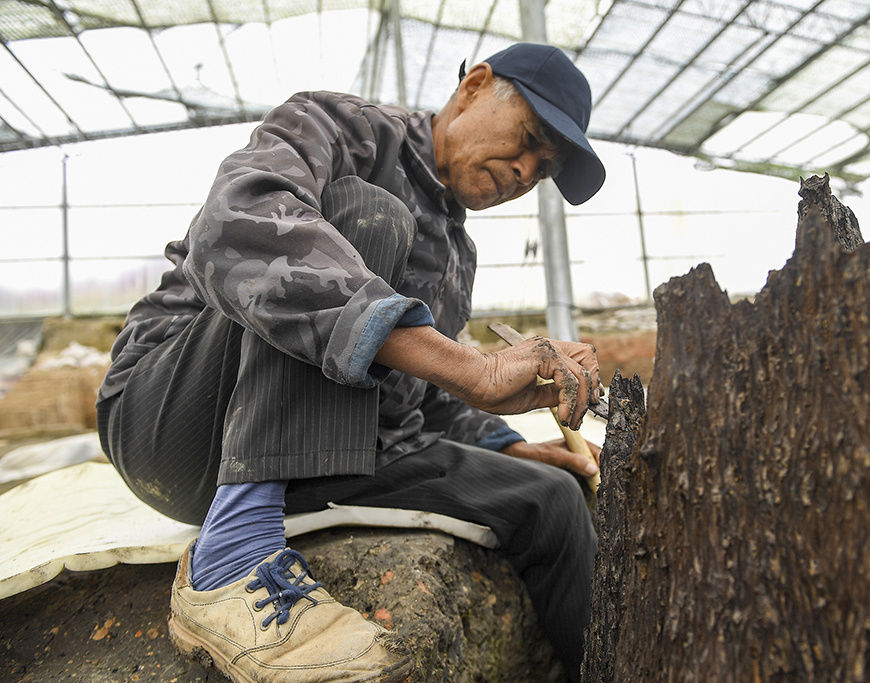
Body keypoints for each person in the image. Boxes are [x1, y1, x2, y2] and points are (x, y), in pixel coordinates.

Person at [96, 42, 607, 682]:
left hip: (316, 447)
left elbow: (413, 393)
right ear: (476, 85)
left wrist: (504, 443)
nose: (527, 170)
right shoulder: (344, 127)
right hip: (172, 419)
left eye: (544, 168)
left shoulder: (458, 253)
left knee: (552, 500)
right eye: (528, 138)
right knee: (367, 215)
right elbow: (235, 225)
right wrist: (473, 368)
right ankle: (230, 557)